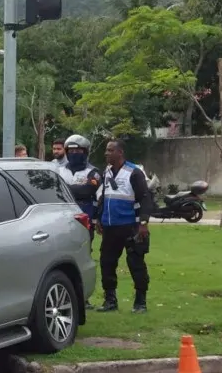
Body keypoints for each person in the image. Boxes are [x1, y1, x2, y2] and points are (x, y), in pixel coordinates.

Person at [93, 139, 151, 314]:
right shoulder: (107, 172)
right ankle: (110, 300)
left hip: (131, 226)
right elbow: (104, 196)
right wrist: (99, 219)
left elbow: (145, 198)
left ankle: (140, 302)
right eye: (106, 150)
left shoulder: (134, 172)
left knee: (136, 263)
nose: (106, 153)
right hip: (111, 227)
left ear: (120, 153)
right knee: (107, 262)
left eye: (110, 150)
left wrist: (143, 223)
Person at [56, 134, 102, 309]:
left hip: (84, 220)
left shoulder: (93, 172)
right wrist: (78, 190)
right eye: (71, 150)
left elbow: (89, 190)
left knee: (83, 257)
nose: (74, 153)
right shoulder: (59, 170)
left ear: (85, 152)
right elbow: (56, 190)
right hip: (61, 220)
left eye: (78, 150)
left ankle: (85, 296)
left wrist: (68, 189)